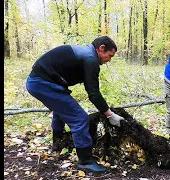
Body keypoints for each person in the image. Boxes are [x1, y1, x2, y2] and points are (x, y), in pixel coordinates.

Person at [26, 36, 125, 173]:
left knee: (62, 109)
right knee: (80, 118)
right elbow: (93, 93)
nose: (109, 60)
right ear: (101, 49)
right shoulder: (90, 59)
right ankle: (85, 161)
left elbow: (90, 88)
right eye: (110, 55)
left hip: (41, 81)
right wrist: (110, 115)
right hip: (41, 83)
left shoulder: (86, 54)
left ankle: (58, 145)